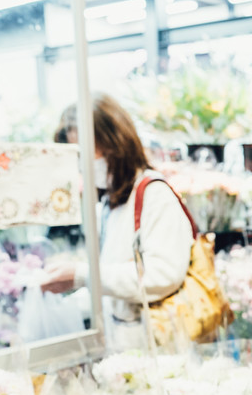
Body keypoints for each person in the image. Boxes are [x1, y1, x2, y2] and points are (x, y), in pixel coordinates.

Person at [43, 93, 193, 348]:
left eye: (85, 154)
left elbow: (162, 275)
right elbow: (115, 271)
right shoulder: (111, 201)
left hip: (159, 349)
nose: (82, 165)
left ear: (114, 144)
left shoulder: (153, 194)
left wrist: (83, 275)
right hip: (125, 346)